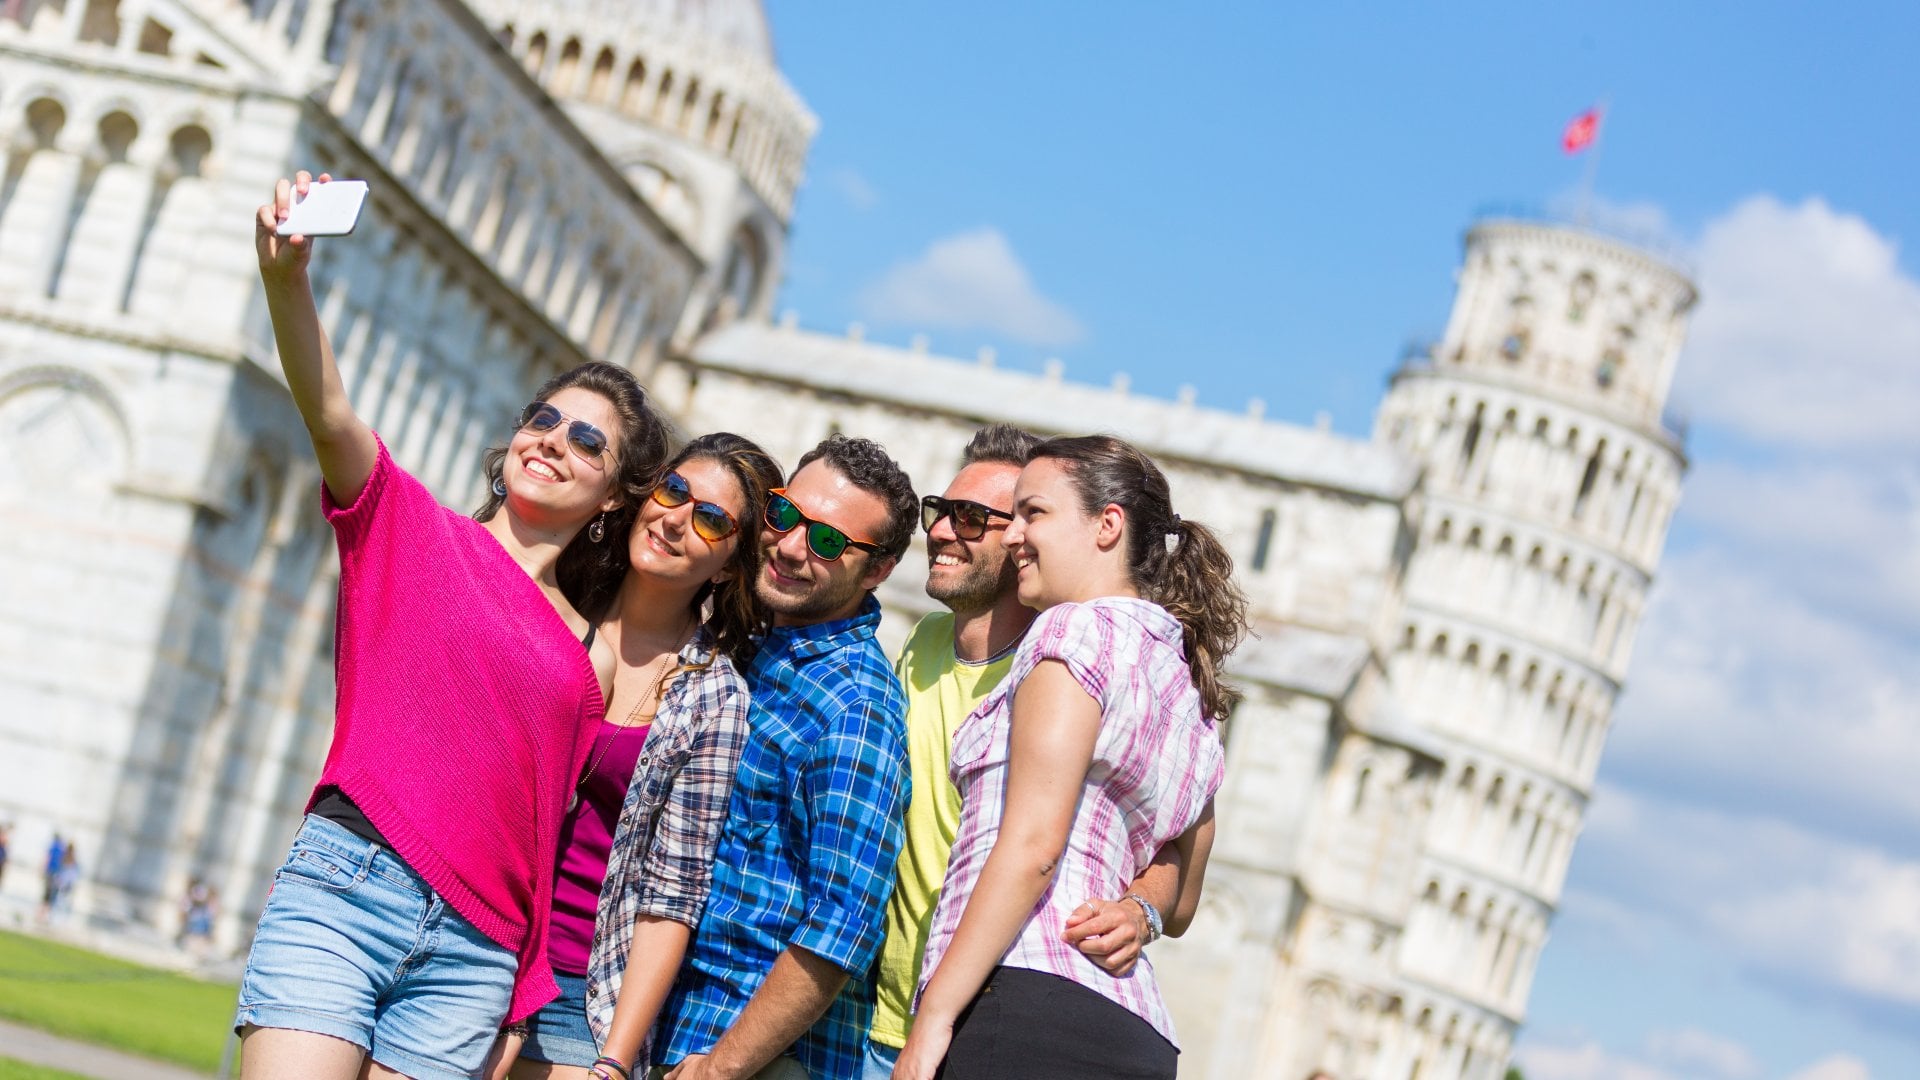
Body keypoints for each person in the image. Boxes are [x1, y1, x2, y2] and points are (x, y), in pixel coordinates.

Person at [234, 172, 668, 1080]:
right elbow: (329, 412)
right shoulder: (407, 527)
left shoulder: (593, 649)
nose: (551, 440)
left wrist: (522, 985)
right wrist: (286, 276)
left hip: (475, 957)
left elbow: (544, 829)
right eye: (543, 420)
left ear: (611, 500)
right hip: (346, 890)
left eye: (586, 442)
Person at [898, 434, 1249, 1080]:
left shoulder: (1071, 630)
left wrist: (935, 1016)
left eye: (1034, 513)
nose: (1012, 536)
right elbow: (1184, 900)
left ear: (1106, 526)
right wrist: (1141, 910)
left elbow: (1034, 847)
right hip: (1136, 1031)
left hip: (1024, 997)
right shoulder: (1191, 687)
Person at [499, 434, 783, 1080]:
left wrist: (614, 1060)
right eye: (673, 491)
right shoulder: (547, 609)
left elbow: (671, 896)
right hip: (469, 943)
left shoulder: (715, 698)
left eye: (711, 520)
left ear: (728, 568)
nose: (677, 518)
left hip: (578, 992)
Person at [653, 434, 919, 1080]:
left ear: (878, 569)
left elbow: (842, 926)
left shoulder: (856, 710)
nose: (793, 547)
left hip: (746, 1056)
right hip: (669, 1024)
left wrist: (720, 1068)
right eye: (785, 515)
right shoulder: (750, 640)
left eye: (829, 542)